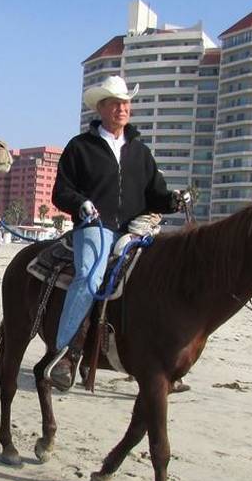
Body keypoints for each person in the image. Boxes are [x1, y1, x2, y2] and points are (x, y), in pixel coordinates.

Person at [48, 75, 190, 389]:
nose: (122, 108)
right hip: (95, 227)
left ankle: (157, 360)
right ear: (101, 108)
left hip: (135, 229)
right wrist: (81, 202)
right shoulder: (80, 147)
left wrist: (172, 200)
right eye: (115, 103)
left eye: (125, 103)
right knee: (90, 277)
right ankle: (66, 352)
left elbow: (156, 194)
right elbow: (61, 192)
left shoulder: (140, 152)